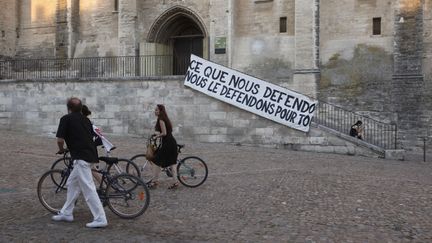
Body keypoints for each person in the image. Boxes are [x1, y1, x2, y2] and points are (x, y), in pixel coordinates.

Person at [52, 97, 108, 228]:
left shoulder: (66, 119)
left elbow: (60, 140)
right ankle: (67, 212)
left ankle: (100, 218)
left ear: (69, 108)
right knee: (72, 183)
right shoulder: (86, 120)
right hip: (90, 155)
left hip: (81, 157)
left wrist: (61, 150)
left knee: (89, 189)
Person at [148, 104, 179, 189]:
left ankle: (154, 182)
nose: (155, 111)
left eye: (157, 110)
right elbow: (166, 132)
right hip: (171, 142)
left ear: (161, 111)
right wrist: (157, 134)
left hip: (167, 144)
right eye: (155, 110)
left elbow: (164, 133)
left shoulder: (161, 120)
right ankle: (175, 182)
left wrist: (156, 136)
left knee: (156, 161)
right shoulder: (165, 119)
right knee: (172, 164)